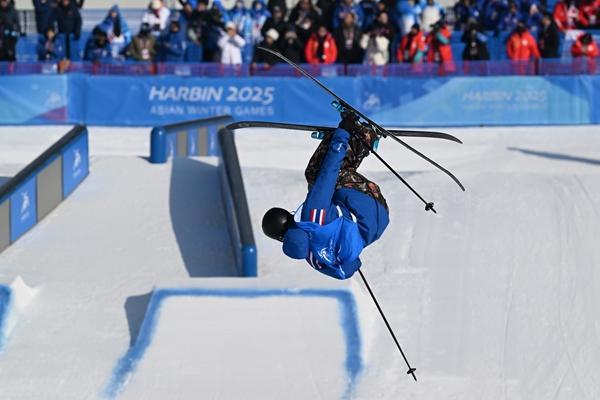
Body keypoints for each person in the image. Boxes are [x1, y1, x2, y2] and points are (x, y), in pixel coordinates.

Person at [262, 113, 389, 280]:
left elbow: (345, 271)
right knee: (326, 175)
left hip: (373, 228)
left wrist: (351, 257)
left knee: (317, 182)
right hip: (370, 208)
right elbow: (329, 172)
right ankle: (363, 136)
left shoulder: (311, 257)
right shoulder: (311, 216)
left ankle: (340, 141)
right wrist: (343, 132)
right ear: (288, 216)